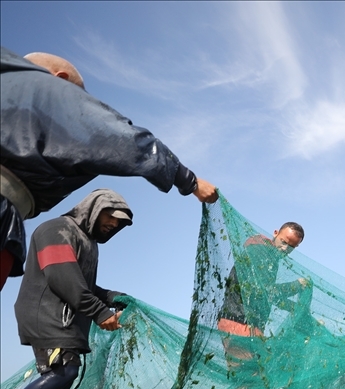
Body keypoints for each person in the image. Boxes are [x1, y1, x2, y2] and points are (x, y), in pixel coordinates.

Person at [0, 48, 218, 290]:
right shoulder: (46, 89)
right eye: (77, 96)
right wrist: (190, 181)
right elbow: (122, 140)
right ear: (59, 81)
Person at [0, 190, 133, 389]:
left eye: (119, 223)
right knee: (63, 371)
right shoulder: (57, 229)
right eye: (111, 216)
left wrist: (112, 297)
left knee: (59, 382)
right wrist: (100, 312)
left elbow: (84, 284)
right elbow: (62, 278)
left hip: (67, 318)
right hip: (47, 313)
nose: (114, 224)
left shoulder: (89, 243)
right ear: (94, 209)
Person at [194, 223, 308, 389]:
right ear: (276, 233)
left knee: (249, 383)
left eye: (292, 247)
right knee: (252, 379)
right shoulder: (259, 250)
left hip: (251, 326)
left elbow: (265, 294)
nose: (285, 249)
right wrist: (297, 285)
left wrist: (296, 308)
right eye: (284, 242)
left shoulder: (270, 258)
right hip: (238, 322)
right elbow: (267, 290)